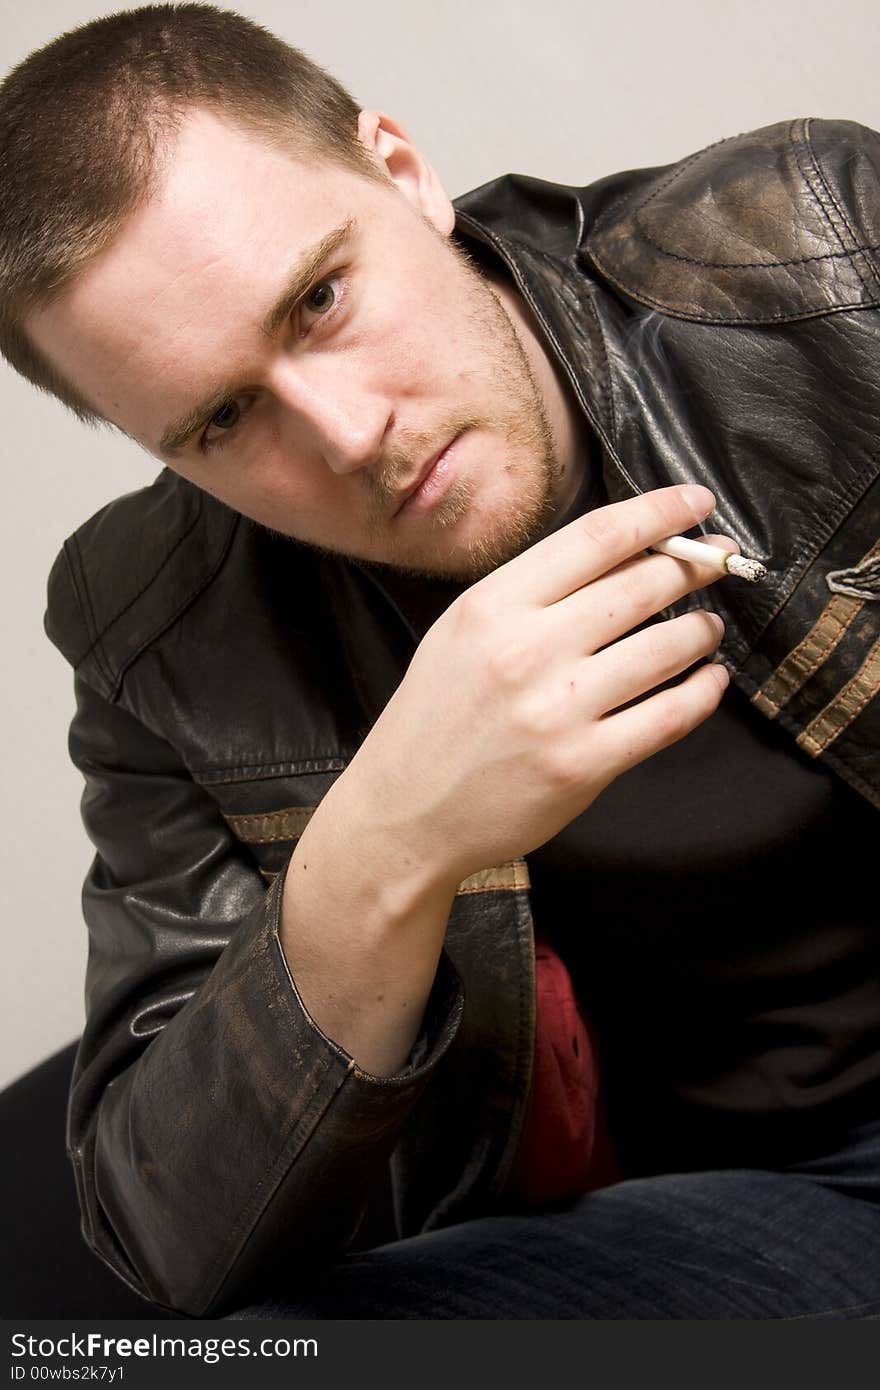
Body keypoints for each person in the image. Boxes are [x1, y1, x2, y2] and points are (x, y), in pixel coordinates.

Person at [2, 3, 878, 1320]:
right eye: (224, 418)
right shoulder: (157, 628)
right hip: (777, 1212)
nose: (350, 435)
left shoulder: (818, 248)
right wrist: (391, 840)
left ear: (404, 174)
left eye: (319, 300)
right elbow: (169, 1243)